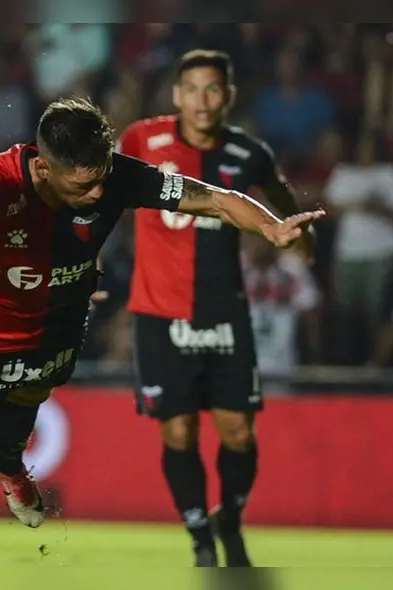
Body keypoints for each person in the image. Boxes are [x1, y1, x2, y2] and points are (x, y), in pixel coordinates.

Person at [0, 98, 323, 542]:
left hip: (60, 321)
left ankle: (4, 461)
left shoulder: (117, 175)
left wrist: (269, 226)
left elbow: (215, 200)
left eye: (102, 179)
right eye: (83, 187)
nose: (99, 194)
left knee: (32, 392)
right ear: (44, 168)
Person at [116, 50, 315, 567]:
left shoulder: (249, 153)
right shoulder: (140, 140)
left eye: (213, 90)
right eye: (192, 90)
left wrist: (301, 239)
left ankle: (230, 516)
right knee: (178, 431)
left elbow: (283, 206)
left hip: (224, 310)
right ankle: (200, 533)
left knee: (239, 433)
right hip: (159, 312)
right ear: (176, 95)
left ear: (228, 96)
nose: (202, 102)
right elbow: (100, 192)